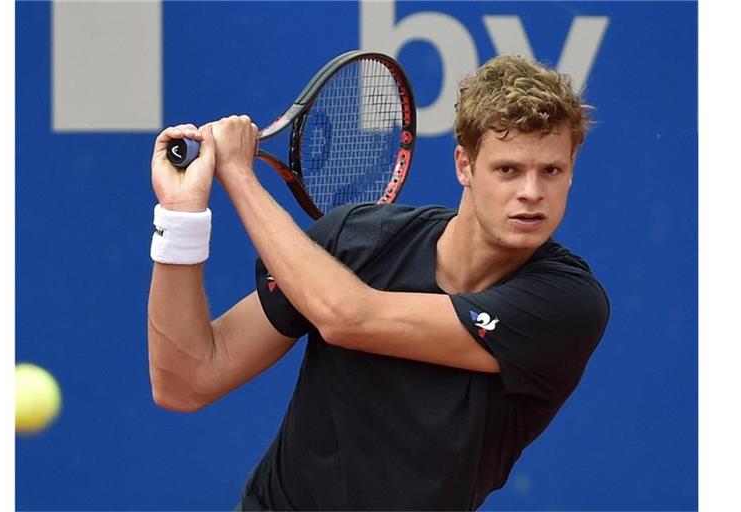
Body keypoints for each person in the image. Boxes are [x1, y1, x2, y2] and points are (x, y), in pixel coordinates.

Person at [147, 54, 610, 510]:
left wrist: (238, 175)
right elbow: (186, 380)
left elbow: (349, 317)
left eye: (551, 170)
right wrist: (180, 217)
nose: (531, 192)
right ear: (464, 166)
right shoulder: (359, 242)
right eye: (507, 169)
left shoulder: (566, 305)